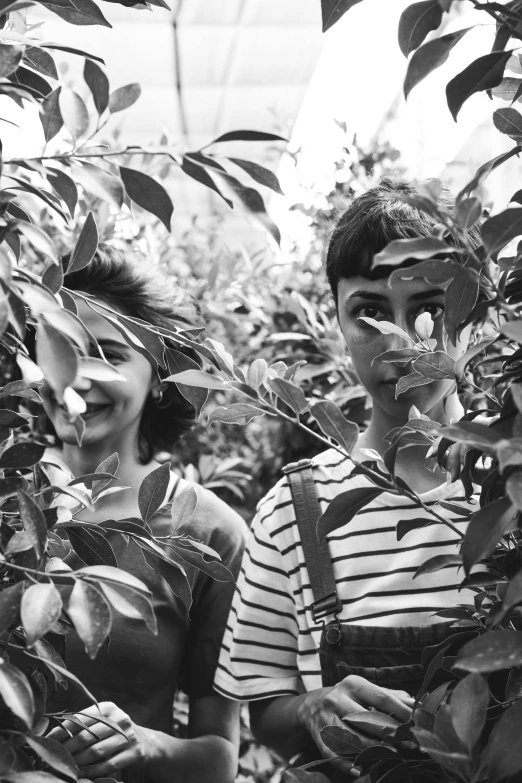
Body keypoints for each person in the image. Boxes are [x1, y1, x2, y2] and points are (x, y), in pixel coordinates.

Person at [214, 178, 482, 776]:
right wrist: (312, 710)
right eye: (369, 312)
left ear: (467, 309)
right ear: (337, 320)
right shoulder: (293, 510)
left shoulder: (508, 480)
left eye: (428, 311)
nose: (398, 340)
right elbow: (267, 708)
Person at [39, 247, 246, 783]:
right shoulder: (10, 500)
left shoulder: (210, 533)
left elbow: (219, 757)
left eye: (108, 355)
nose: (77, 379)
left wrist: (145, 746)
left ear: (158, 377)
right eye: (60, 349)